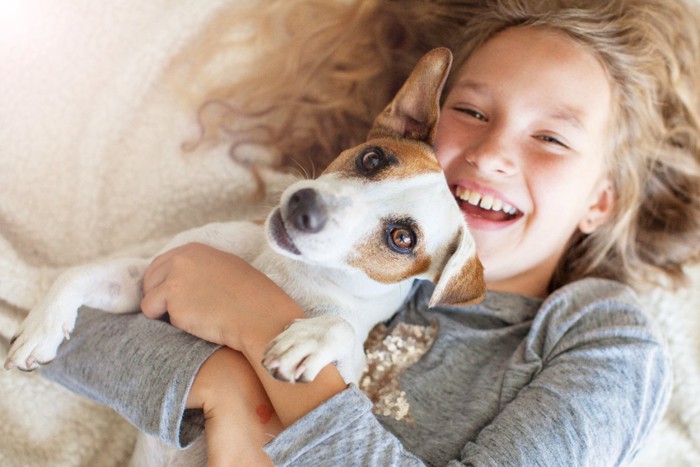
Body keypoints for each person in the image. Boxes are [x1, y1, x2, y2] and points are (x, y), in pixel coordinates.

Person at [40, 0, 700, 465]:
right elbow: (58, 339)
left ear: (601, 201)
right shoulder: (335, 237)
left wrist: (255, 338)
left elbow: (230, 312)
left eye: (551, 137)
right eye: (470, 110)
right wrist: (225, 387)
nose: (493, 150)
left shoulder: (604, 335)